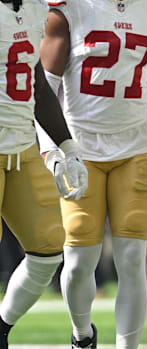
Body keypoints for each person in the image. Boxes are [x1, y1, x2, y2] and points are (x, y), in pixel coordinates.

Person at [37, 0, 147, 348]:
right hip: (80, 149)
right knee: (77, 262)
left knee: (132, 259)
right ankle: (82, 334)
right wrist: (52, 150)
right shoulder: (69, 7)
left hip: (136, 148)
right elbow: (43, 88)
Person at [0, 0, 88, 347]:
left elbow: (35, 79)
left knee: (49, 247)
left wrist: (68, 147)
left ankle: (2, 327)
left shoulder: (35, 8)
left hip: (22, 145)